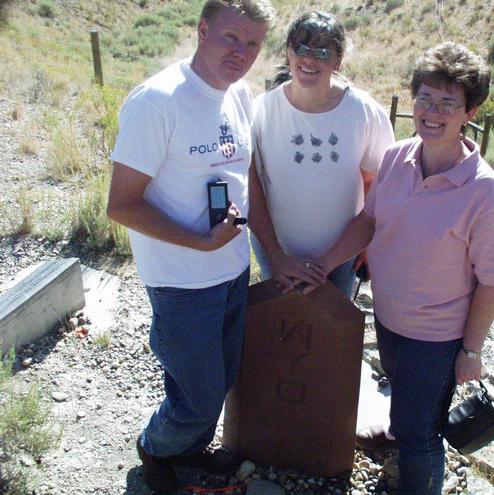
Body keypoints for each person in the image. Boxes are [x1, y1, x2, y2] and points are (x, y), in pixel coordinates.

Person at [308, 42, 494, 495]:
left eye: (447, 103)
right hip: (389, 318)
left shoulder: (485, 193)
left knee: (421, 433)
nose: (431, 112)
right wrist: (324, 264)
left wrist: (472, 352)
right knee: (405, 401)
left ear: (470, 112)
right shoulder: (397, 158)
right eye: (424, 98)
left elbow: (491, 280)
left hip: (437, 336)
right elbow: (368, 221)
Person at [106, 1, 274, 493]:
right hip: (181, 280)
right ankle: (156, 448)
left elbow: (247, 181)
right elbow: (121, 204)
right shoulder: (157, 101)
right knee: (200, 395)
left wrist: (270, 252)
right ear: (202, 30)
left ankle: (189, 448)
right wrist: (199, 243)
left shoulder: (239, 96)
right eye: (230, 38)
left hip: (232, 269)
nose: (241, 53)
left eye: (253, 44)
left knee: (216, 381)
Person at [248, 10, 394, 297]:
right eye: (300, 48)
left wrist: (360, 247)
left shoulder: (363, 111)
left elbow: (376, 188)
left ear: (338, 59)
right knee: (281, 329)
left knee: (330, 334)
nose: (309, 59)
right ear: (288, 51)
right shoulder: (261, 110)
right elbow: (251, 186)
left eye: (322, 52)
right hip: (276, 251)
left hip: (341, 255)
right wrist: (276, 255)